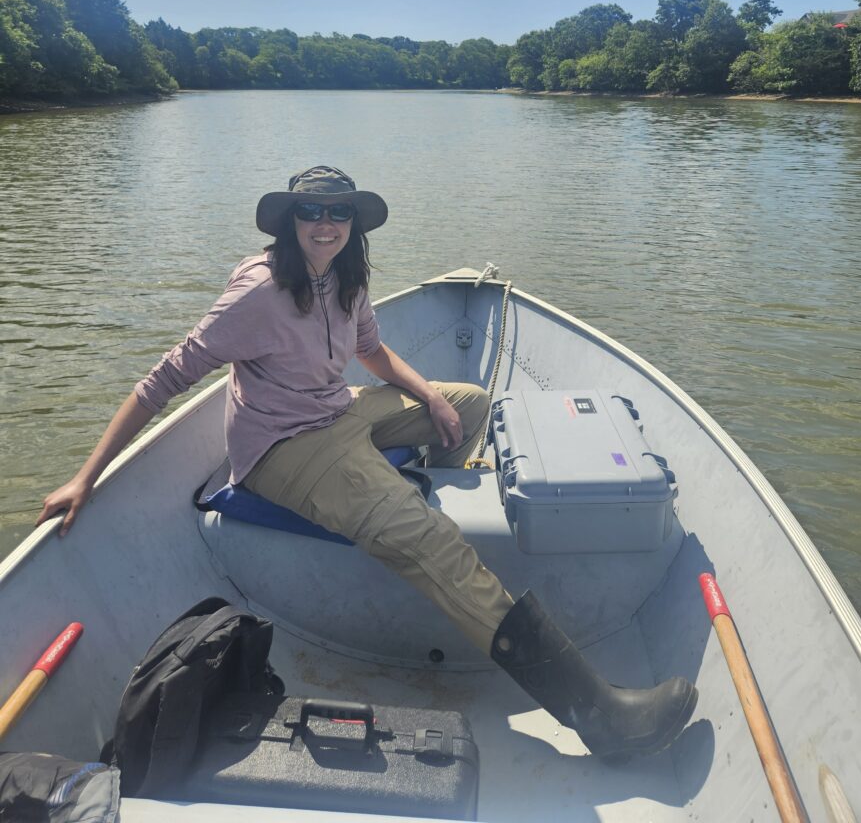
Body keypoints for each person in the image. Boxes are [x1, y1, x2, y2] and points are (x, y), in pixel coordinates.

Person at [37, 165, 696, 761]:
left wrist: (429, 396)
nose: (325, 224)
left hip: (340, 410)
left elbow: (372, 353)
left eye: (339, 212)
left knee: (467, 405)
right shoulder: (257, 292)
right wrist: (84, 478)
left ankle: (402, 502)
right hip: (284, 448)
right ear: (289, 221)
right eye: (311, 211)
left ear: (353, 223)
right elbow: (163, 379)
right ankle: (597, 715)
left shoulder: (345, 276)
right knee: (435, 541)